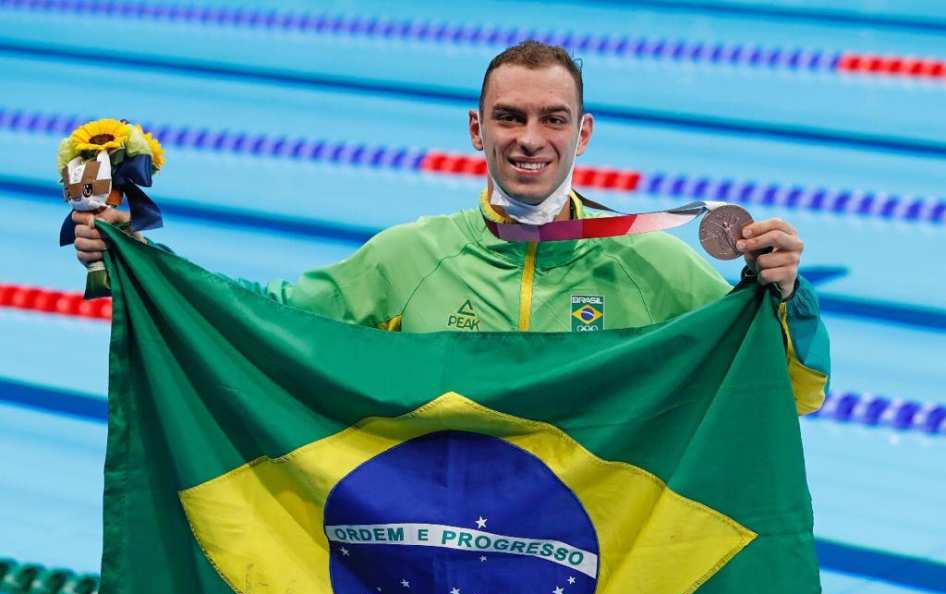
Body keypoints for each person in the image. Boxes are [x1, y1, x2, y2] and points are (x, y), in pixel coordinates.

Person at [72, 41, 829, 413]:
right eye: (509, 117)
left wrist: (783, 295)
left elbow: (790, 390)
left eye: (552, 118)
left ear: (584, 133)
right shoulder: (412, 257)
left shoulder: (650, 265)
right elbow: (260, 318)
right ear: (477, 129)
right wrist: (135, 262)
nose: (530, 138)